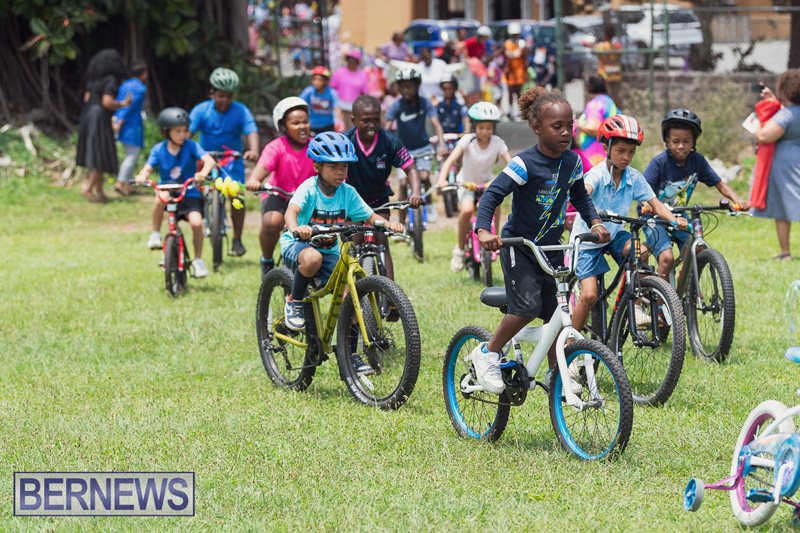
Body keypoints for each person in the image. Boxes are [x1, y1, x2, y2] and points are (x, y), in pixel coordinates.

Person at [467, 87, 610, 395]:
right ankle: (487, 352)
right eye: (556, 126)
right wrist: (483, 231)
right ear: (536, 128)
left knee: (556, 315)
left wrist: (596, 222)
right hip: (519, 247)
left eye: (569, 126)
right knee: (527, 308)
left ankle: (556, 375)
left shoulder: (573, 162)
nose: (565, 132)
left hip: (551, 249)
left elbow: (580, 197)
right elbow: (492, 195)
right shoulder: (525, 163)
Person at [280, 132, 404, 376]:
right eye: (333, 166)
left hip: (329, 251)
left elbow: (370, 216)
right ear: (317, 167)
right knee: (313, 258)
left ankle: (350, 354)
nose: (340, 172)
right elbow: (290, 212)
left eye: (344, 166)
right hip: (298, 246)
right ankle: (294, 301)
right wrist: (296, 228)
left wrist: (388, 224)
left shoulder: (347, 192)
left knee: (351, 296)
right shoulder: (309, 189)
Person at [571, 114, 687, 333]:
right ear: (606, 148)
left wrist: (674, 220)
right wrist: (593, 217)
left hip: (615, 235)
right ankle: (569, 344)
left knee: (640, 252)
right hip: (588, 239)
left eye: (631, 152)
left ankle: (634, 306)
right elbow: (583, 195)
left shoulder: (634, 177)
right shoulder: (596, 174)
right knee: (589, 296)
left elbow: (655, 203)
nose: (626, 157)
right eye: (620, 151)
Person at [643, 109, 749, 280]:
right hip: (654, 217)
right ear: (667, 141)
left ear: (694, 141)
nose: (681, 146)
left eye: (686, 141)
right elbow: (643, 191)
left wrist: (738, 201)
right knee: (666, 258)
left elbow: (720, 184)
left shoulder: (697, 161)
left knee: (699, 248)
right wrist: (647, 205)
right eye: (675, 141)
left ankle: (689, 287)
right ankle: (662, 296)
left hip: (680, 215)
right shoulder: (659, 163)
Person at [344, 95, 422, 280]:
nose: (372, 125)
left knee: (381, 241)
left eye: (376, 120)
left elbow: (411, 169)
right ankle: (348, 291)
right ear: (353, 120)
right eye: (366, 121)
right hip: (351, 200)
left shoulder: (389, 141)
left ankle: (390, 292)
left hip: (378, 199)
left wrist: (416, 192)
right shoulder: (345, 141)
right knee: (353, 242)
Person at [135, 108, 216, 278]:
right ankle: (156, 234)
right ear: (166, 132)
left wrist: (202, 173)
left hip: (189, 191)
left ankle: (198, 260)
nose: (183, 135)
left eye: (185, 130)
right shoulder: (158, 149)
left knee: (196, 223)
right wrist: (142, 175)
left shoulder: (191, 146)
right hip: (168, 189)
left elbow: (209, 161)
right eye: (178, 131)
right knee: (160, 198)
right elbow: (148, 167)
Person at [188, 68, 260, 257]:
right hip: (206, 159)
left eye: (229, 96)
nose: (225, 101)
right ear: (212, 93)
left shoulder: (240, 110)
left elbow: (251, 130)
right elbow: (188, 133)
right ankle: (205, 218)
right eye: (221, 96)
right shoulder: (201, 110)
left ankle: (237, 239)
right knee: (197, 190)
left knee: (237, 195)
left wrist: (254, 150)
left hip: (231, 160)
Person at [245, 97, 315, 280]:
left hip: (308, 199)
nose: (302, 127)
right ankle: (267, 261)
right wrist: (254, 180)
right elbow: (261, 169)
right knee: (272, 222)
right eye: (296, 123)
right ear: (283, 126)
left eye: (305, 122)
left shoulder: (316, 147)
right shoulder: (276, 147)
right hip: (279, 194)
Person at [436, 102, 511, 272]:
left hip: (487, 183)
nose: (484, 131)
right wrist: (442, 179)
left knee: (497, 204)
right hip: (466, 183)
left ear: (493, 128)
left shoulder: (498, 142)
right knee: (467, 210)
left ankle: (495, 236)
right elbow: (450, 160)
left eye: (489, 128)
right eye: (481, 127)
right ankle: (460, 249)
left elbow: (511, 164)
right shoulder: (467, 140)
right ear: (474, 126)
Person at [384, 67, 448, 223]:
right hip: (403, 150)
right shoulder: (397, 105)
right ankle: (401, 222)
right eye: (403, 87)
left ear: (418, 86)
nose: (406, 90)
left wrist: (442, 145)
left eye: (409, 86)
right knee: (403, 183)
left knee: (424, 177)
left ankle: (429, 203)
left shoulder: (425, 103)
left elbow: (436, 124)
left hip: (423, 147)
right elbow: (386, 128)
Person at [750, 72, 800, 261]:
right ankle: (785, 253)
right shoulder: (791, 111)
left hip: (785, 165)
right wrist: (772, 100)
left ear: (785, 91)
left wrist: (755, 127)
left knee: (782, 208)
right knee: (785, 207)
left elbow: (764, 136)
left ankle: (785, 253)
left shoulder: (787, 114)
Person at [77, 49, 131, 203]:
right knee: (102, 153)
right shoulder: (111, 80)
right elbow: (107, 102)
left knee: (97, 153)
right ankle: (88, 189)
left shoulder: (93, 79)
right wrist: (123, 104)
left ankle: (100, 192)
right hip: (99, 117)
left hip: (88, 115)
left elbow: (87, 98)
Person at [113, 60, 148, 196]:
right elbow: (130, 106)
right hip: (131, 125)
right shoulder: (139, 88)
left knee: (130, 154)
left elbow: (120, 103)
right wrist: (121, 119)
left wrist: (117, 118)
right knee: (132, 155)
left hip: (121, 121)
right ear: (143, 73)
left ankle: (129, 185)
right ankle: (120, 183)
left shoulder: (125, 85)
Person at [576, 74, 618, 169]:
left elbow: (594, 130)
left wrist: (576, 123)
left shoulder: (595, 104)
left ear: (590, 86)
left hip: (595, 156)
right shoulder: (609, 102)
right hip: (607, 154)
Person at [330, 49, 369, 129]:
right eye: (350, 59)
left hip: (354, 108)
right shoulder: (339, 72)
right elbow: (332, 88)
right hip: (340, 107)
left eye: (354, 60)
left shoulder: (362, 75)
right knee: (340, 129)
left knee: (352, 130)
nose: (351, 61)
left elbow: (364, 92)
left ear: (358, 62)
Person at [299, 66, 343, 135]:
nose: (316, 82)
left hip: (328, 125)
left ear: (325, 81)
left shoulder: (332, 93)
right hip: (313, 125)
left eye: (320, 80)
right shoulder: (308, 91)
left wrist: (340, 122)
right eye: (314, 79)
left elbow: (337, 108)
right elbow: (299, 102)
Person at [504, 22, 528, 121]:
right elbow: (505, 55)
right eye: (513, 34)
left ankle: (518, 112)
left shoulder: (522, 44)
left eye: (516, 34)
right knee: (510, 92)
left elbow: (525, 59)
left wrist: (526, 73)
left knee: (518, 92)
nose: (515, 36)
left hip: (519, 72)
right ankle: (510, 112)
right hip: (510, 72)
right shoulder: (507, 44)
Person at [594, 26, 623, 104]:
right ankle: (616, 110)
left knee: (605, 95)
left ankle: (608, 109)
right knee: (616, 95)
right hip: (616, 74)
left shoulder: (601, 46)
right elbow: (620, 55)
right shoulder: (617, 46)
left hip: (605, 75)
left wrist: (595, 41)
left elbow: (593, 50)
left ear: (605, 34)